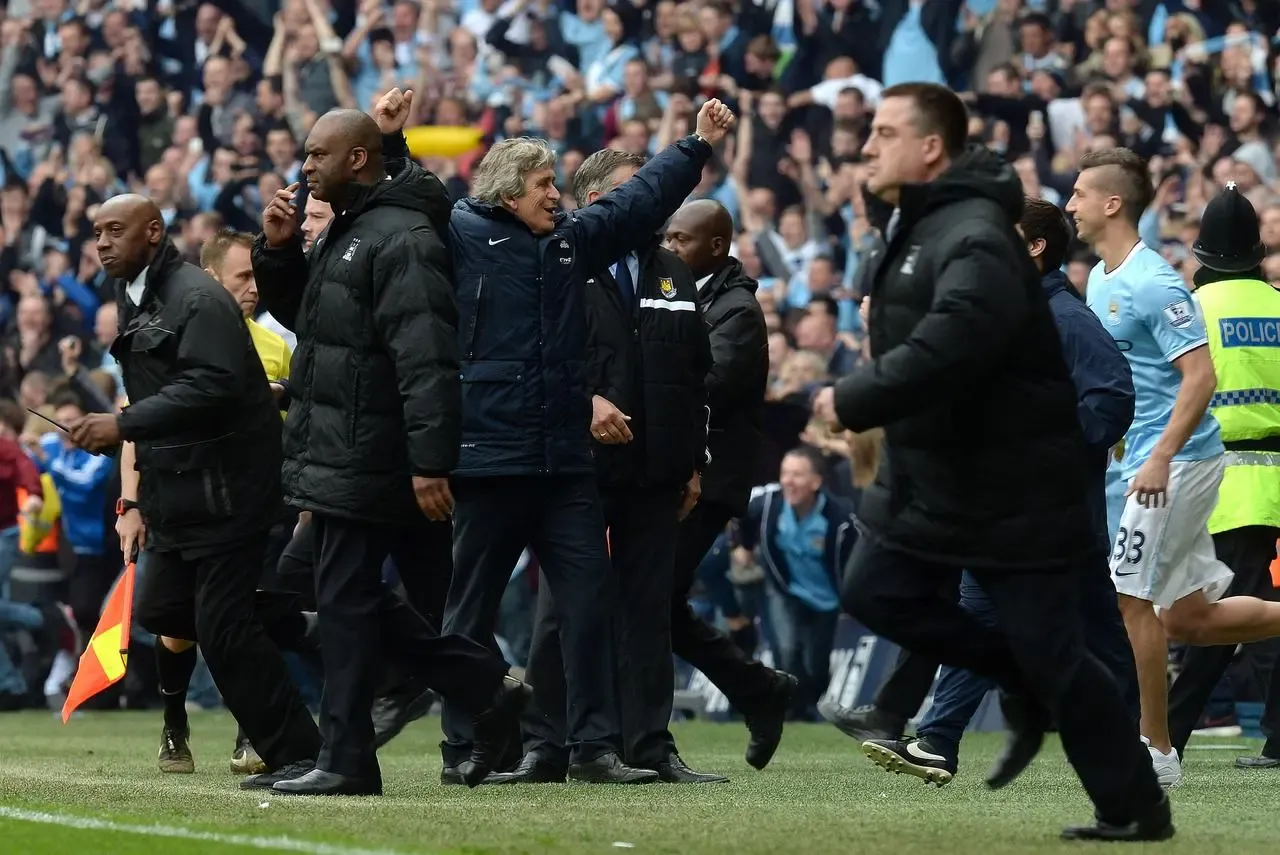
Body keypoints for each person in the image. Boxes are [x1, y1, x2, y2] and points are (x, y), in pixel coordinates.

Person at [812, 84, 1169, 840]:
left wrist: (855, 395)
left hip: (1018, 492)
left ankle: (1128, 796)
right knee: (886, 591)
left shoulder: (983, 242)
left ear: (930, 147)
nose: (864, 145)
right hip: (954, 476)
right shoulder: (927, 226)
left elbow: (956, 343)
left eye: (882, 132)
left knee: (1061, 653)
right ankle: (1036, 709)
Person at [416, 98, 735, 783]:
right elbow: (405, 194)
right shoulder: (461, 233)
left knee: (589, 604)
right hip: (492, 458)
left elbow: (636, 203)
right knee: (467, 612)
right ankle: (462, 745)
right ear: (507, 190)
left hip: (563, 464)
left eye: (558, 187)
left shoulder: (569, 243)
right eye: (544, 187)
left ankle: (592, 746)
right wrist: (387, 139)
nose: (556, 197)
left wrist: (696, 147)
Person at [251, 100, 529, 796]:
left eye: (317, 153)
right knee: (378, 600)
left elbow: (427, 355)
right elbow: (315, 320)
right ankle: (491, 690)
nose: (304, 165)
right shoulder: (353, 229)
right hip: (359, 450)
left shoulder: (400, 235)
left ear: (358, 158)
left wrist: (431, 460)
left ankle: (349, 759)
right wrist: (280, 250)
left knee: (345, 603)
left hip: (373, 453)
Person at [845, 196, 1140, 784]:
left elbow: (1112, 399)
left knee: (1084, 628)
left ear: (1033, 248)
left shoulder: (1067, 320)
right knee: (1037, 619)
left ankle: (1125, 746)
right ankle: (940, 740)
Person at [71, 193, 323, 790]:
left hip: (227, 489)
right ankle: (307, 623)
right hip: (178, 493)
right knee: (162, 612)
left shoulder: (196, 299)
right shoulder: (134, 294)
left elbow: (213, 387)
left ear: (153, 232)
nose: (101, 242)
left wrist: (123, 424)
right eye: (96, 232)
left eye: (114, 230)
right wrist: (134, 491)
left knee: (224, 625)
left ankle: (300, 752)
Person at [498, 148, 712, 785]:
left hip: (657, 472)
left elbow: (696, 374)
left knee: (650, 610)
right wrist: (584, 402)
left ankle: (650, 744)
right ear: (598, 204)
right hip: (578, 466)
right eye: (634, 192)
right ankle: (544, 744)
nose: (652, 206)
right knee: (565, 608)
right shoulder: (559, 264)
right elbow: (532, 356)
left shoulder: (672, 271)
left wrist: (695, 462)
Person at [1070, 149, 1280, 790]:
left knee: (1131, 597)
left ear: (1113, 203)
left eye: (1080, 193)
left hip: (1179, 462)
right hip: (1149, 462)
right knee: (1187, 618)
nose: (1070, 203)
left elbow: (1201, 376)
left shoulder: (1157, 285)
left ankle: (1155, 752)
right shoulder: (1102, 280)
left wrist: (1158, 454)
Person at [662, 198, 798, 771]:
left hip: (710, 479)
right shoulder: (687, 295)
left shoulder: (737, 309)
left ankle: (645, 736)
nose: (669, 249)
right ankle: (756, 689)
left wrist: (652, 374)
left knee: (649, 598)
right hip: (679, 470)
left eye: (679, 240)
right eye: (666, 239)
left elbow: (708, 383)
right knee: (654, 602)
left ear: (715, 246)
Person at [1156, 185, 1280, 770]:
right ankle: (1171, 736)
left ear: (1203, 254)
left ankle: (1171, 738)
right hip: (1275, 476)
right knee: (1231, 611)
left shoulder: (1192, 310)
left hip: (1219, 478)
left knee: (1225, 613)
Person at [736, 447, 854, 722]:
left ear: (816, 482)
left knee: (817, 661)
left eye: (797, 475)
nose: (788, 481)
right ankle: (791, 710)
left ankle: (810, 705)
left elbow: (851, 561)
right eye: (785, 474)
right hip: (783, 590)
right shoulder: (767, 505)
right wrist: (743, 547)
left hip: (825, 598)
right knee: (786, 651)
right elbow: (741, 515)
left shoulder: (839, 519)